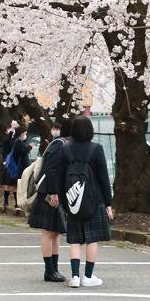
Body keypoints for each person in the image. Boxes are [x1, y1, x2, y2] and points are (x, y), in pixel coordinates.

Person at [59, 116, 113, 288]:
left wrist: (64, 201)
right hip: (94, 201)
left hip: (73, 199)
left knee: (74, 239)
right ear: (90, 130)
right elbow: (104, 178)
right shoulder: (96, 149)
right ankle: (88, 277)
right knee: (92, 239)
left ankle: (74, 276)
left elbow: (60, 178)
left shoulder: (65, 149)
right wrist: (108, 203)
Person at [28, 120, 70, 283]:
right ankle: (49, 270)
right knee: (48, 232)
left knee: (55, 233)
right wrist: (54, 192)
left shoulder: (59, 144)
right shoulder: (59, 145)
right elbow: (51, 170)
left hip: (53, 192)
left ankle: (54, 269)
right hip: (49, 193)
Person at [0, 126, 31, 208]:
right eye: (25, 133)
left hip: (12, 166)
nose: (26, 135)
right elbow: (23, 152)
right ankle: (14, 203)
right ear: (21, 133)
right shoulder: (17, 141)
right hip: (15, 167)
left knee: (12, 185)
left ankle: (10, 202)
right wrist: (30, 147)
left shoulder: (16, 141)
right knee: (13, 185)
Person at [0, 120, 19, 207]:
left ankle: (16, 202)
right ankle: (6, 201)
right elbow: (7, 145)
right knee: (7, 183)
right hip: (8, 163)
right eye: (11, 126)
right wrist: (11, 134)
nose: (12, 128)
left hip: (15, 163)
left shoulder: (17, 138)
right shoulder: (6, 139)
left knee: (15, 184)